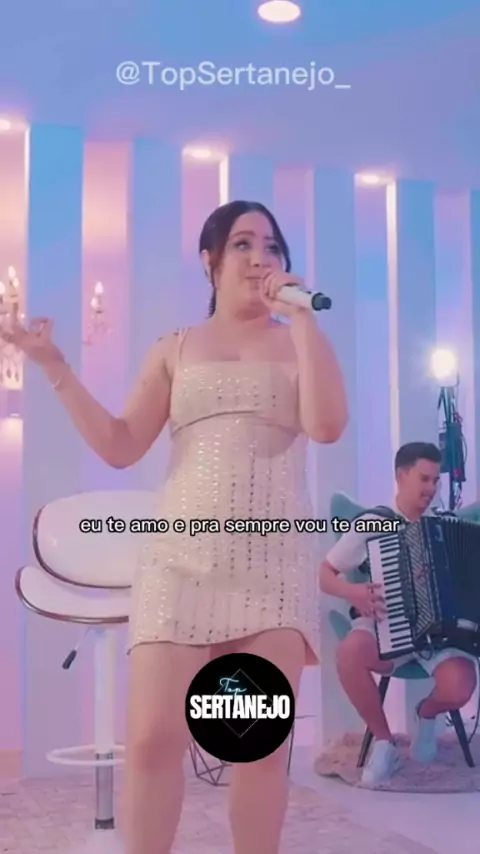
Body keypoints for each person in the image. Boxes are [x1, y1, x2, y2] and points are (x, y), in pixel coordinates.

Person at [2, 200, 348, 854]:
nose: (260, 258)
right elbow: (121, 444)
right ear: (209, 260)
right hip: (179, 562)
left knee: (256, 746)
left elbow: (327, 426)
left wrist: (304, 320)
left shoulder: (299, 341)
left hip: (270, 571)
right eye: (243, 243)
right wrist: (54, 366)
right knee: (154, 739)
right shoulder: (175, 349)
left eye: (272, 246)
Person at [319, 441, 478, 787]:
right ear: (401, 476)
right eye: (424, 479)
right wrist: (353, 591)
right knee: (349, 653)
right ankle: (384, 742)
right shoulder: (374, 523)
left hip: (439, 637)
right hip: (385, 627)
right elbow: (325, 574)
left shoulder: (445, 525)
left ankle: (426, 713)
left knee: (461, 686)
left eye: (436, 480)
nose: (431, 488)